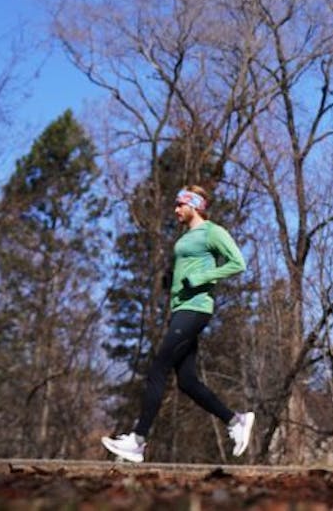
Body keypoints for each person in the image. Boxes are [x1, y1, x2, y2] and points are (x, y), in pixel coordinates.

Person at [102, 185, 255, 463]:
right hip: (181, 309)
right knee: (186, 381)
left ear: (194, 206)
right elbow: (188, 267)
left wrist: (202, 278)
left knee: (159, 368)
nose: (175, 210)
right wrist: (172, 280)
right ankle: (235, 421)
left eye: (179, 205)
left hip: (196, 309)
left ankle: (137, 440)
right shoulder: (188, 236)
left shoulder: (212, 231)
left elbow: (238, 263)